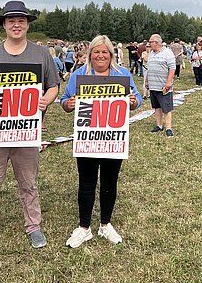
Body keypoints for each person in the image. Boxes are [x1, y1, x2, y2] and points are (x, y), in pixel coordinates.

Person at [0, 0, 59, 264]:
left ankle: (34, 226)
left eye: (21, 20)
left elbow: (53, 86)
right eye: (11, 21)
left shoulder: (41, 54)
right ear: (4, 25)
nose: (16, 25)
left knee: (28, 184)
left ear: (27, 24)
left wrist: (46, 100)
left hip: (27, 133)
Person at [60, 35, 141, 248]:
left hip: (113, 138)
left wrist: (133, 102)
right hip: (87, 138)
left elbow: (137, 99)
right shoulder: (79, 75)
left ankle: (105, 224)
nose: (100, 55)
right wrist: (69, 104)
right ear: (90, 54)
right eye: (96, 51)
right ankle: (84, 227)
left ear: (111, 54)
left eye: (105, 52)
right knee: (86, 182)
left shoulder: (122, 74)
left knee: (109, 182)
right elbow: (64, 102)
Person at [145, 34, 176, 137]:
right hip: (153, 85)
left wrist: (168, 82)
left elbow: (172, 68)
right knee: (157, 107)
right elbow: (149, 68)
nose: (149, 44)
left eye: (151, 42)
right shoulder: (151, 54)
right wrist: (147, 81)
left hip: (163, 86)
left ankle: (168, 128)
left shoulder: (167, 52)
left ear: (157, 43)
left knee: (166, 108)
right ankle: (159, 125)